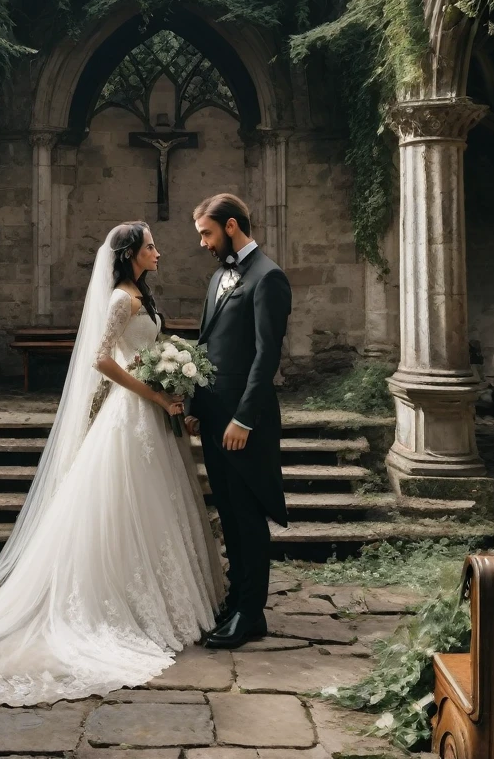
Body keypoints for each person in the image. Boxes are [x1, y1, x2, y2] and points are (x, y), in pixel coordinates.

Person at [0, 223, 223, 706]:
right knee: (128, 503)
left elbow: (143, 352)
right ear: (130, 255)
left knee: (157, 503)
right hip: (134, 412)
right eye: (150, 247)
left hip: (154, 412)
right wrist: (155, 393)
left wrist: (170, 380)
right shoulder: (122, 299)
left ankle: (167, 596)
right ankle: (122, 607)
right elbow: (102, 359)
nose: (159, 252)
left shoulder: (140, 294)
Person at [186, 193, 292, 650]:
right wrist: (193, 404)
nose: (203, 243)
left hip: (244, 423)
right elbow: (207, 344)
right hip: (213, 418)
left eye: (207, 233)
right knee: (228, 514)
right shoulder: (219, 277)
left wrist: (243, 419)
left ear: (231, 226)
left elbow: (267, 354)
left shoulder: (269, 278)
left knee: (248, 517)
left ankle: (251, 614)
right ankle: (237, 601)